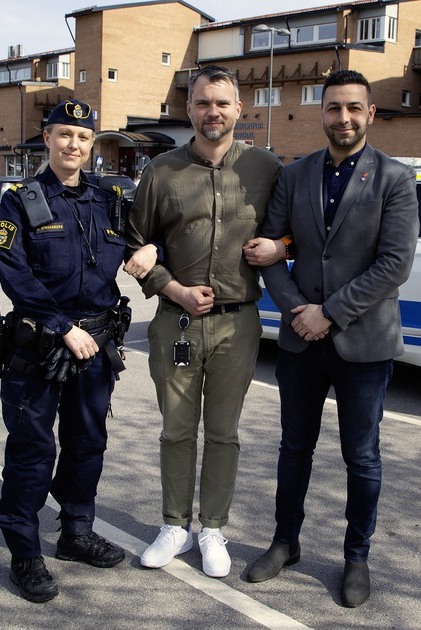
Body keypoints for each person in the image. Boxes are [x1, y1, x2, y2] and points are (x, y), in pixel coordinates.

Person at [242, 70, 419, 608]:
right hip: (301, 339)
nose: (343, 118)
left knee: (361, 456)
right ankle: (284, 542)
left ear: (370, 113)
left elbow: (395, 264)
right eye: (333, 108)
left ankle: (356, 556)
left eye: (353, 108)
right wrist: (299, 311)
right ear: (321, 113)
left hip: (363, 344)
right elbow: (271, 248)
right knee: (294, 448)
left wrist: (331, 313)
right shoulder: (295, 176)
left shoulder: (395, 178)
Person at [123, 65, 282, 578]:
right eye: (202, 103)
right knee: (176, 430)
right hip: (178, 323)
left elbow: (293, 231)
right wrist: (173, 289)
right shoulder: (161, 171)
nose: (212, 112)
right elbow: (133, 245)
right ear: (188, 109)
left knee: (223, 433)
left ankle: (212, 527)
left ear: (239, 108)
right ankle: (174, 524)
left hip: (239, 326)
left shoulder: (266, 168)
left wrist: (280, 246)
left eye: (222, 103)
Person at [0, 99, 129, 603]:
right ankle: (25, 553)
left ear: (94, 145)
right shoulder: (19, 201)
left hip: (96, 346)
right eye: (64, 134)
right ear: (46, 139)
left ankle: (75, 532)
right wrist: (62, 326)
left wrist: (147, 249)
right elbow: (14, 273)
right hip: (42, 344)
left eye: (84, 137)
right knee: (33, 450)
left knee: (88, 443)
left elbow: (133, 245)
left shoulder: (108, 198)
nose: (74, 145)